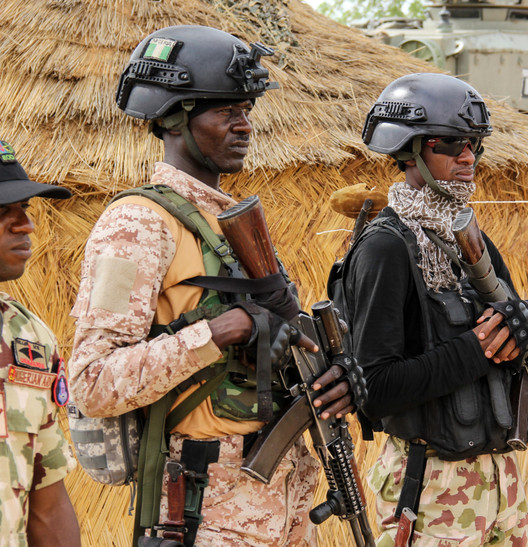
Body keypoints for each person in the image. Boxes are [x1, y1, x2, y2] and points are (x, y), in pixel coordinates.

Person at [68, 26, 354, 546]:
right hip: (202, 507)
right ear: (175, 117)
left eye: (246, 111)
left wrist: (330, 371)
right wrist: (221, 331)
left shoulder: (228, 222)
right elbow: (92, 383)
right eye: (226, 112)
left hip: (279, 500)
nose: (244, 126)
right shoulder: (137, 225)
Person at [344, 72, 528, 546]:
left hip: (503, 482)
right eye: (453, 143)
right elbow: (374, 390)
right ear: (411, 149)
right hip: (428, 490)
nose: (468, 157)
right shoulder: (386, 249)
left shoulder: (473, 241)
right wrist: (481, 348)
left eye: (475, 146)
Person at [0, 141, 80, 546]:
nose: (25, 225)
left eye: (25, 209)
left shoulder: (28, 337)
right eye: (2, 212)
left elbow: (47, 499)